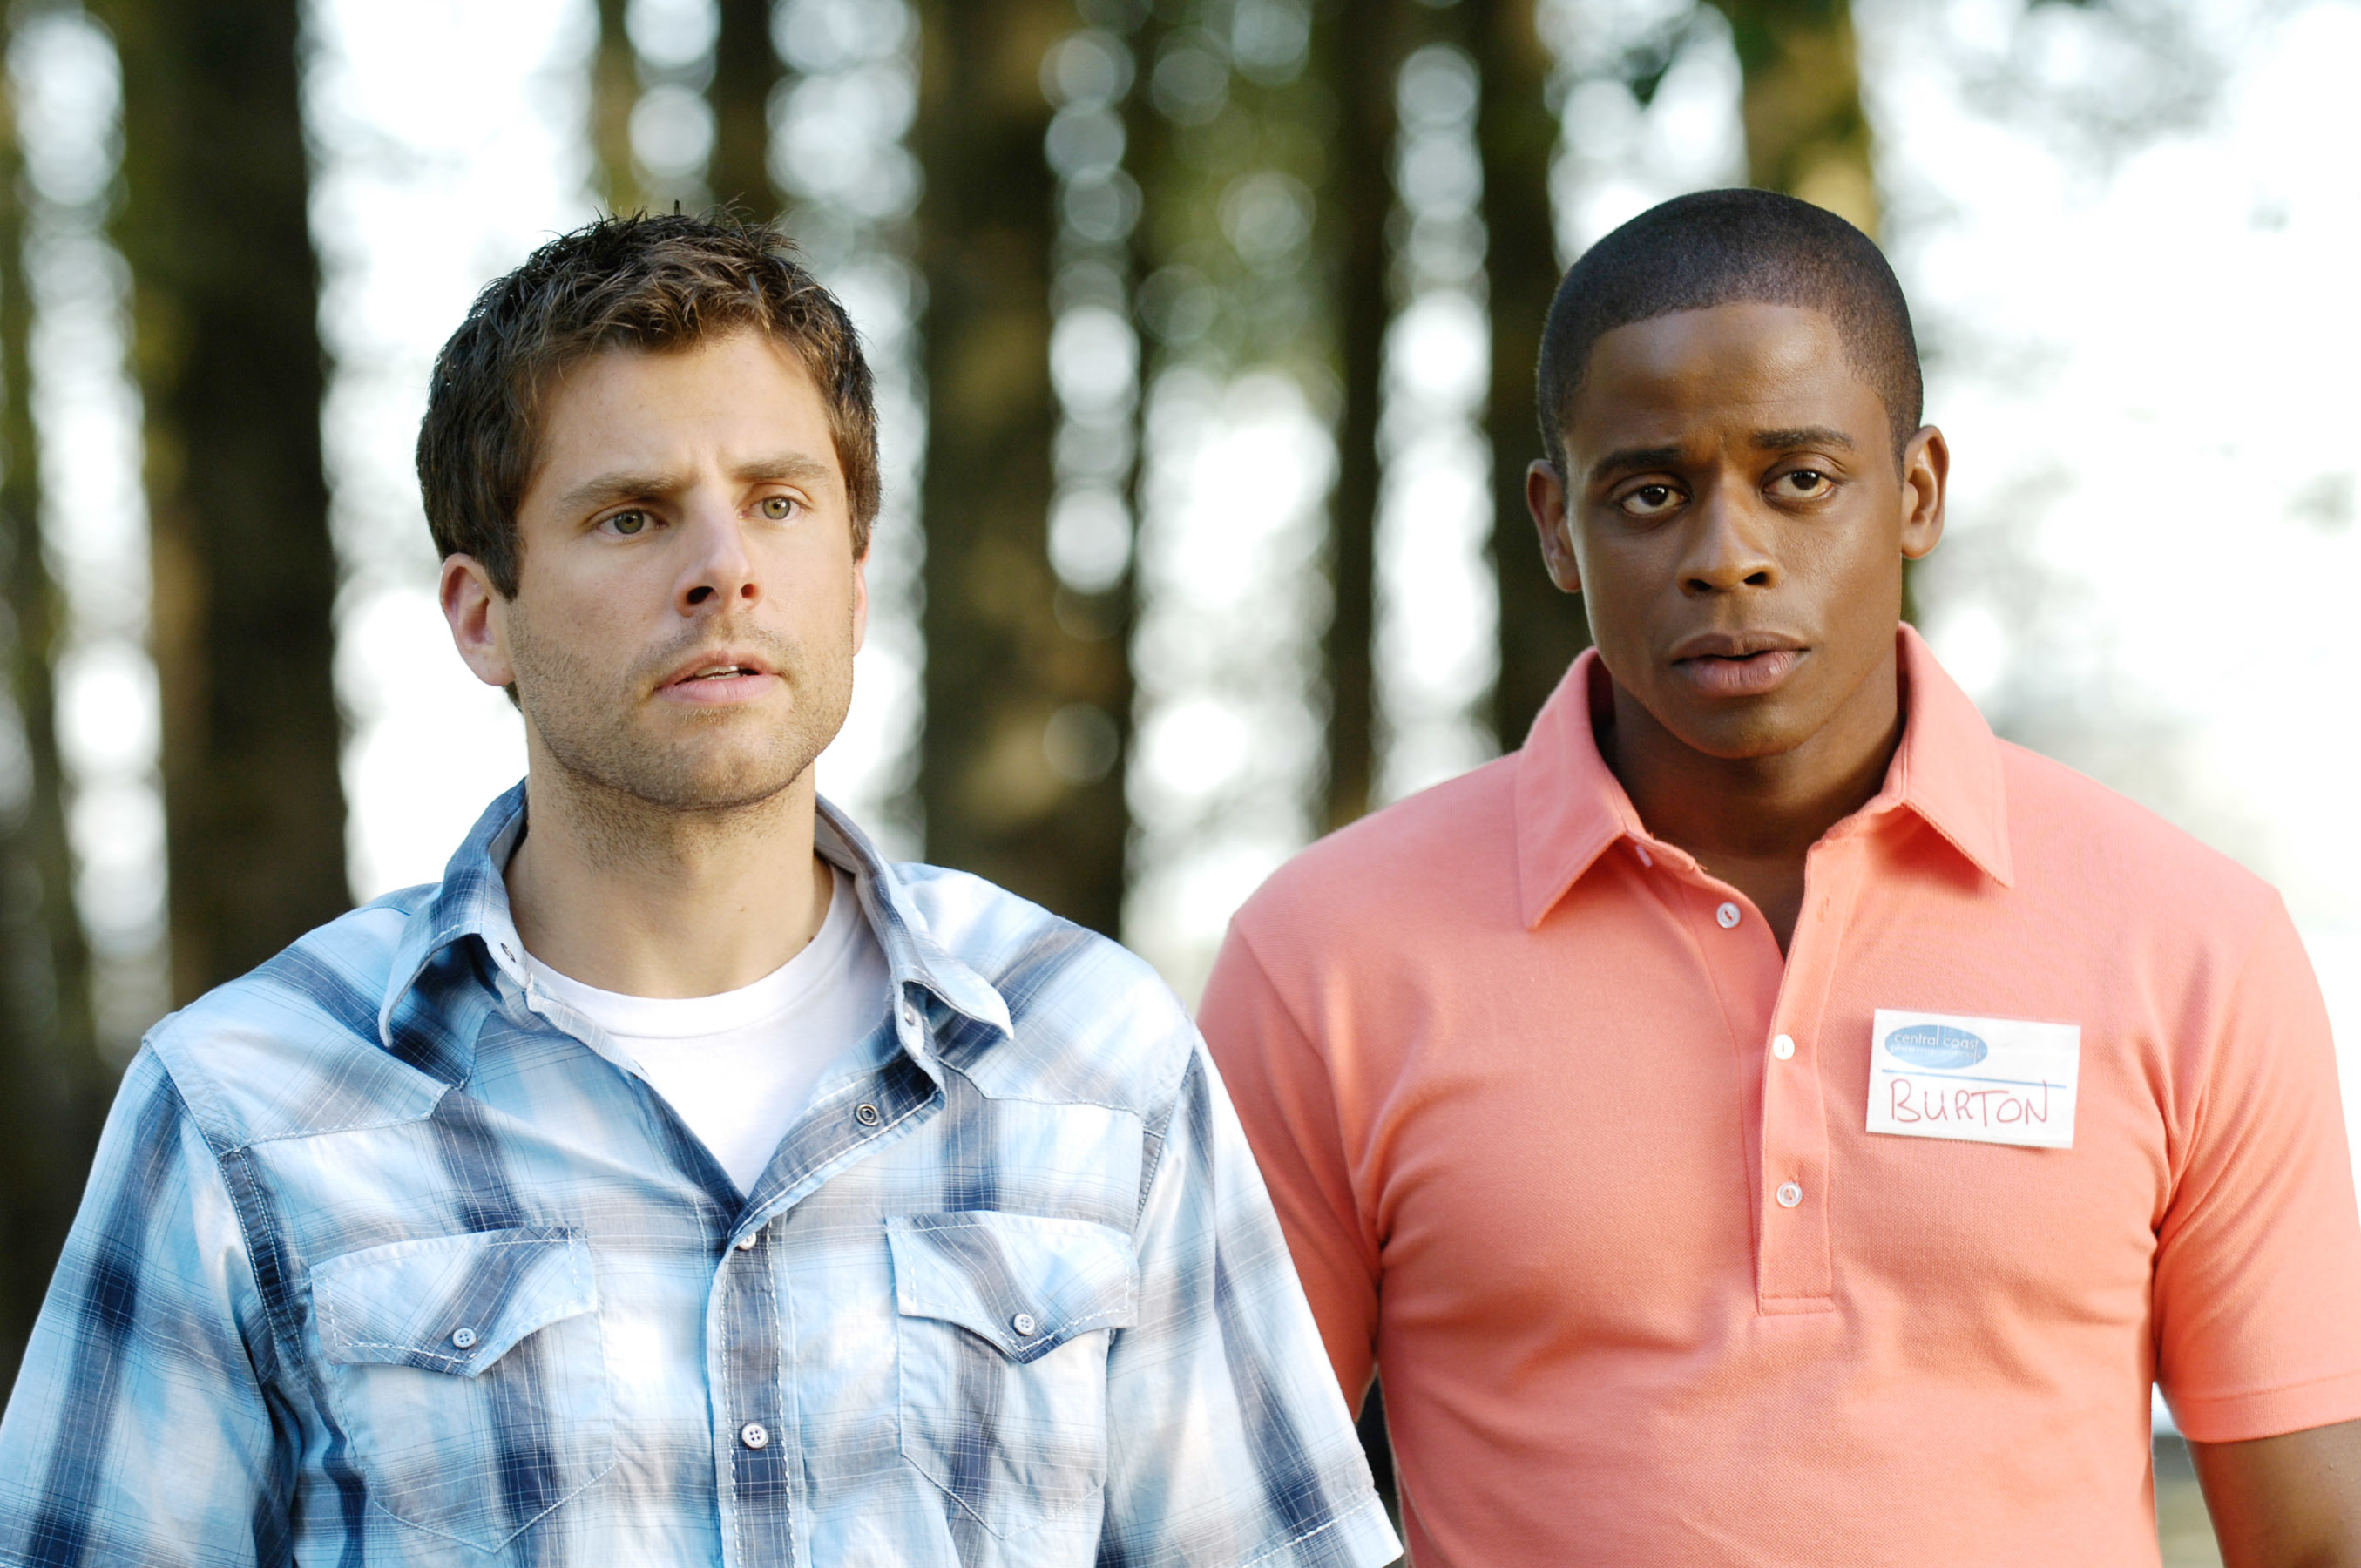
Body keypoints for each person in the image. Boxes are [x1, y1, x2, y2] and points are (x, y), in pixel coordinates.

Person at [0, 214, 1398, 1568]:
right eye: (630, 516)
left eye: (778, 503)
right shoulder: (249, 1103)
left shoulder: (1092, 1053)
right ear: (482, 616)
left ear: (851, 586)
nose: (723, 571)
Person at [1199, 188, 2361, 1566]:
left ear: (1916, 490)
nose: (1725, 556)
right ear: (1555, 525)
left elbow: (2310, 1537)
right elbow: (1222, 1525)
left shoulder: (2192, 942)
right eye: (1647, 493)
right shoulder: (1325, 955)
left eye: (1798, 479)